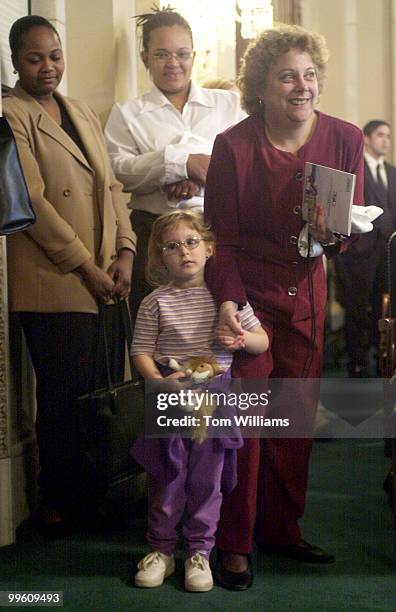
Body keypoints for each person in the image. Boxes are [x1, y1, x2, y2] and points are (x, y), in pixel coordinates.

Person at [204, 24, 365, 590]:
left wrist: (335, 234)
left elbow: (352, 227)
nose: (302, 86)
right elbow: (218, 238)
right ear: (262, 87)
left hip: (307, 297)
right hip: (247, 301)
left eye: (310, 74)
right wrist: (228, 302)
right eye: (287, 76)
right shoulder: (234, 145)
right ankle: (234, 542)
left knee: (293, 421)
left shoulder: (346, 137)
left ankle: (281, 530)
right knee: (247, 423)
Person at [3, 16, 136, 534]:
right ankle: (58, 501)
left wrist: (125, 252)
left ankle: (101, 494)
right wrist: (85, 265)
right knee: (64, 399)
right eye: (34, 58)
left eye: (55, 55)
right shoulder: (9, 113)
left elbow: (111, 187)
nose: (48, 66)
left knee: (105, 394)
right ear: (15, 60)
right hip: (54, 280)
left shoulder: (80, 109)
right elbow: (31, 201)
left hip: (105, 273)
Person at [130, 210, 268, 592]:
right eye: (172, 247)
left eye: (191, 243)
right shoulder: (155, 302)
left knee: (207, 480)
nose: (184, 252)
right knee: (166, 477)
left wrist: (242, 340)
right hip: (170, 398)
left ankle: (199, 554)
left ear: (209, 248)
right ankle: (160, 551)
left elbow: (262, 341)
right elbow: (140, 351)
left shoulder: (228, 300)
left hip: (214, 397)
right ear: (160, 258)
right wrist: (158, 382)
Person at [104, 6, 244, 322]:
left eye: (182, 54)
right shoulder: (127, 113)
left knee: (216, 330)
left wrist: (203, 175)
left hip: (214, 233)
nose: (173, 63)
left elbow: (248, 162)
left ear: (194, 55)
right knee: (157, 334)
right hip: (152, 234)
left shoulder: (227, 104)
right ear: (145, 58)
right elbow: (117, 169)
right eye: (162, 54)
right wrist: (182, 163)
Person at [337, 120, 396, 377]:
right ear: (368, 139)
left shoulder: (393, 172)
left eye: (389, 136)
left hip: (388, 251)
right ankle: (357, 360)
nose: (386, 141)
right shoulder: (355, 169)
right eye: (381, 135)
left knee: (384, 305)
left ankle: (381, 355)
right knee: (357, 306)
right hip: (360, 250)